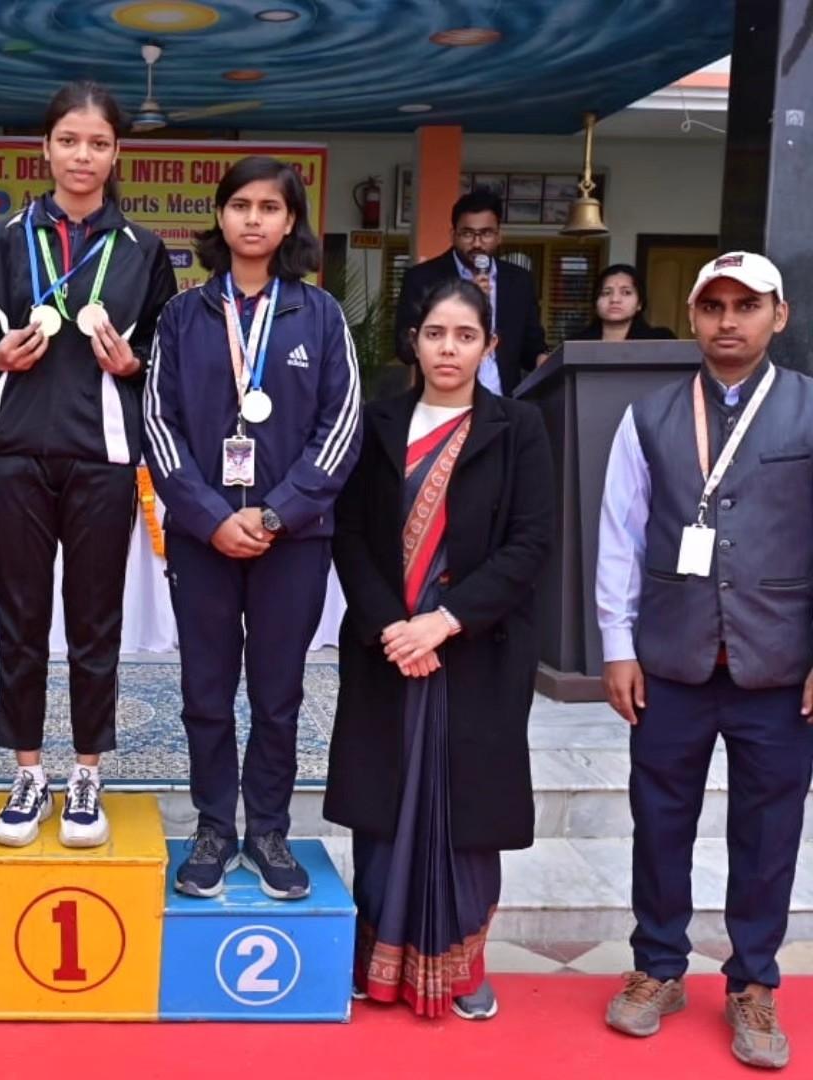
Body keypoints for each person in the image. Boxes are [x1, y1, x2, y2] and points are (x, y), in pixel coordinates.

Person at [598, 252, 810, 1071]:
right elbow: (619, 537)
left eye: (746, 306)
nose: (729, 321)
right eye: (714, 306)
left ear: (778, 316)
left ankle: (753, 981)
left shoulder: (808, 409)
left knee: (770, 830)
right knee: (659, 822)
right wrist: (618, 645)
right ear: (692, 316)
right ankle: (657, 966)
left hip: (779, 665)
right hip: (672, 662)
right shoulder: (648, 416)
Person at [0, 82, 177, 848]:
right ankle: (27, 771)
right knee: (20, 619)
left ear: (117, 154)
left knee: (94, 619)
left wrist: (133, 363)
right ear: (45, 148)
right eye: (70, 140)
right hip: (15, 449)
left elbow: (165, 353)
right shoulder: (2, 237)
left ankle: (86, 772)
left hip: (103, 451)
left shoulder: (143, 249)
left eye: (99, 143)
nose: (83, 156)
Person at [325, 278, 553, 1020]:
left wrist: (445, 621)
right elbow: (349, 534)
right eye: (434, 334)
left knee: (468, 812)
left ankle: (461, 966)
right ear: (414, 342)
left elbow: (530, 544)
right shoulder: (377, 424)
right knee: (383, 807)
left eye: (464, 336)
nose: (448, 349)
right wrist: (395, 627)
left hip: (477, 649)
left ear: (489, 346)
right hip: (388, 650)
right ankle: (377, 961)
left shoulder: (519, 427)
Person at [144, 155, 360, 899]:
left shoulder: (321, 316)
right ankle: (214, 825)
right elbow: (159, 427)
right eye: (241, 205)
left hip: (292, 541)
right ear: (221, 215)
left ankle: (267, 827)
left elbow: (341, 427)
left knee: (277, 693)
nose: (254, 219)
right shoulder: (182, 316)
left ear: (290, 220)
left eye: (270, 207)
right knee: (205, 692)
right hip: (202, 541)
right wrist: (211, 518)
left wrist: (275, 513)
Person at [394, 187, 549, 394]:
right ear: (453, 235)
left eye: (486, 233)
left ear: (499, 236)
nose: (477, 243)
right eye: (467, 234)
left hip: (502, 401)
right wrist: (465, 298)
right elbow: (405, 349)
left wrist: (544, 359)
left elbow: (531, 346)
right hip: (442, 398)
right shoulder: (422, 278)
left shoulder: (519, 281)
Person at [567, 263, 676, 342]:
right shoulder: (575, 342)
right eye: (606, 293)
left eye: (626, 292)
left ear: (639, 303)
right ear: (595, 302)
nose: (614, 299)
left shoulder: (660, 339)